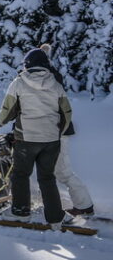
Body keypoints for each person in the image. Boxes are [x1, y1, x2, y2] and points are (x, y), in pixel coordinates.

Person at [0, 47, 75, 229]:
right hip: (51, 141)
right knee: (47, 177)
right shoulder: (55, 83)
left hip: (26, 139)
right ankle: (55, 218)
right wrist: (58, 132)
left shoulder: (19, 82)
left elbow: (8, 109)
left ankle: (20, 213)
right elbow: (66, 112)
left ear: (27, 65)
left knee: (20, 175)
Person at [39, 44, 94, 216]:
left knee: (63, 171)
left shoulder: (45, 79)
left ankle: (84, 207)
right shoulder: (52, 76)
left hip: (55, 132)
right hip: (53, 131)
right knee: (53, 171)